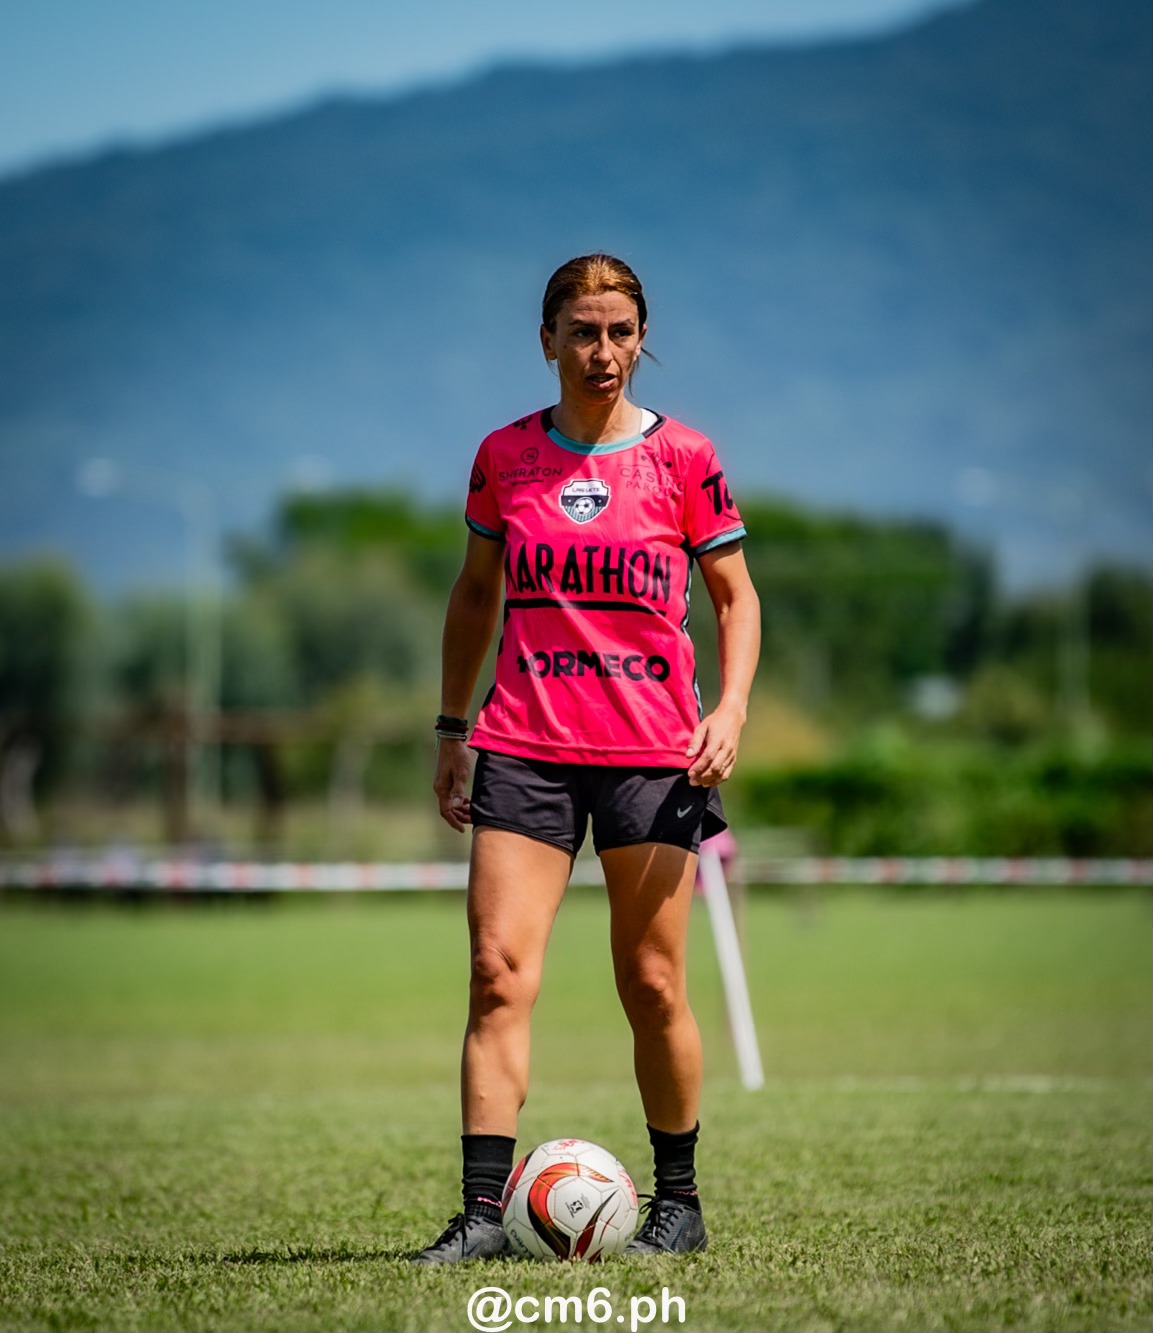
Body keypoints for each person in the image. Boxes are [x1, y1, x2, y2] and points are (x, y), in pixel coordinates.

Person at [412, 254, 761, 1264]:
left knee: (651, 984)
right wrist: (449, 728)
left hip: (656, 756)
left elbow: (735, 599)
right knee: (494, 974)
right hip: (522, 745)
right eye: (582, 331)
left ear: (642, 339)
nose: (601, 351)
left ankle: (679, 1204)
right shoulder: (503, 456)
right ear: (547, 341)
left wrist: (730, 709)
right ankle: (481, 1215)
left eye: (618, 332)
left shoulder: (686, 458)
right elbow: (474, 597)